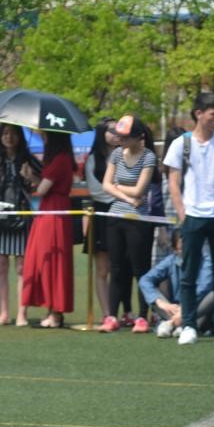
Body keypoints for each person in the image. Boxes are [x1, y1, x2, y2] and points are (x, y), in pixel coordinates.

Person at [165, 92, 214, 345]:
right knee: (189, 273)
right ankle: (189, 325)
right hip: (193, 216)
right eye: (213, 114)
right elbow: (173, 182)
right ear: (199, 114)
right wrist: (182, 213)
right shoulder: (181, 144)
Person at [100, 114, 157, 333]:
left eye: (124, 137)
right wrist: (128, 197)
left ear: (138, 136)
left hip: (137, 220)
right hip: (116, 217)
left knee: (140, 268)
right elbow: (105, 185)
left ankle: (142, 316)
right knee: (116, 268)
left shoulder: (148, 157)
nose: (120, 140)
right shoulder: (116, 154)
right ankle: (112, 316)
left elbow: (139, 190)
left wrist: (118, 187)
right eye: (119, 136)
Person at [0, 123, 40, 326]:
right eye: (5, 133)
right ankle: (4, 313)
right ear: (0, 136)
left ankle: (22, 313)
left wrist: (30, 177)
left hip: (21, 217)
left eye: (13, 133)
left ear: (20, 137)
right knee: (0, 266)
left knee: (22, 267)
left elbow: (40, 183)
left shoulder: (29, 159)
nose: (9, 137)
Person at [21, 131, 75, 328]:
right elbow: (43, 185)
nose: (43, 139)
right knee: (46, 260)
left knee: (52, 260)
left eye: (45, 136)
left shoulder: (60, 159)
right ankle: (52, 309)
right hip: (50, 209)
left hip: (54, 211)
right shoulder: (61, 158)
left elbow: (42, 189)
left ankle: (55, 312)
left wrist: (31, 176)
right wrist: (32, 176)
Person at [140, 227, 214, 338]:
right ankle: (182, 325)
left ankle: (171, 324)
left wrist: (184, 310)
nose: (187, 251)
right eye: (182, 249)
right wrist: (161, 302)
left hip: (196, 307)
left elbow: (204, 287)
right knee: (152, 290)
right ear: (174, 249)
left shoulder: (206, 260)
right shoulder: (170, 260)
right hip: (173, 309)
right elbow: (145, 280)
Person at [82, 118, 117, 322]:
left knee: (120, 268)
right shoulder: (93, 159)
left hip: (122, 212)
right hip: (102, 213)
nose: (117, 134)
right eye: (112, 130)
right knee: (103, 268)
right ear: (102, 134)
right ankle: (107, 314)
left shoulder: (124, 155)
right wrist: (121, 192)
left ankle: (124, 311)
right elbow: (97, 191)